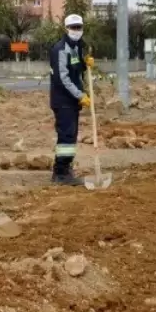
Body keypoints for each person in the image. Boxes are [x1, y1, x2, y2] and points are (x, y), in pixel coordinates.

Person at [49, 14, 93, 186]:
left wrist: (84, 63)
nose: (77, 31)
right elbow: (62, 78)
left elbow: (75, 68)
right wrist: (80, 95)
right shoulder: (59, 49)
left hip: (72, 101)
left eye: (79, 27)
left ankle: (66, 168)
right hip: (63, 100)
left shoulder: (77, 47)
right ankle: (60, 173)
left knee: (71, 136)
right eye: (73, 27)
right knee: (66, 136)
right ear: (66, 29)